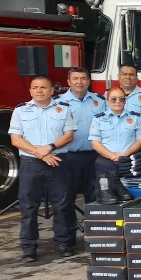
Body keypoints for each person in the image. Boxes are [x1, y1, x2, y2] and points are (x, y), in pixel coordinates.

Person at [9, 76, 77, 261]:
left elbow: (69, 135)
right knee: (28, 207)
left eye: (43, 87)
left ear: (51, 90)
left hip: (57, 162)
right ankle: (28, 248)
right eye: (35, 87)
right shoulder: (20, 110)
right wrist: (40, 152)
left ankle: (63, 243)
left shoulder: (64, 109)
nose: (39, 90)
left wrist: (50, 148)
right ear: (30, 91)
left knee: (62, 205)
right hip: (31, 164)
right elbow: (16, 139)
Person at [59, 67, 102, 237]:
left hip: (95, 156)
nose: (79, 82)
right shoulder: (59, 103)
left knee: (96, 197)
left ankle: (95, 237)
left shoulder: (99, 101)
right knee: (66, 199)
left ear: (88, 81)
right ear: (68, 82)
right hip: (69, 157)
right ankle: (68, 239)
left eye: (83, 78)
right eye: (75, 79)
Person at [88, 86, 141, 203]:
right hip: (106, 160)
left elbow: (140, 140)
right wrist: (112, 156)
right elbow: (95, 143)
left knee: (132, 196)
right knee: (107, 197)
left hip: (128, 158)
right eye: (113, 99)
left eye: (121, 99)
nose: (118, 102)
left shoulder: (135, 118)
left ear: (125, 101)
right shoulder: (98, 119)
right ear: (107, 101)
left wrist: (125, 154)